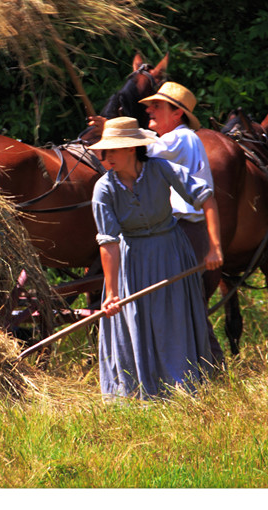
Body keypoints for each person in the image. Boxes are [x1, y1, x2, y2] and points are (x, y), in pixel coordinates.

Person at [89, 117, 223, 400]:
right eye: (105, 150)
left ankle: (182, 387)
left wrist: (214, 247)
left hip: (171, 253)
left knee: (173, 317)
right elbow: (109, 242)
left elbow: (206, 198)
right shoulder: (104, 188)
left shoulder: (161, 169)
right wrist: (111, 294)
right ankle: (138, 391)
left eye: (113, 149)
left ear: (132, 149)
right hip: (132, 261)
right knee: (135, 320)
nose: (106, 156)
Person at [138, 82, 225, 365]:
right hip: (183, 231)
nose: (149, 109)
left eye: (157, 106)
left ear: (177, 114)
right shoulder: (178, 140)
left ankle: (213, 365)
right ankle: (204, 366)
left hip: (187, 232)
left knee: (187, 302)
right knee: (184, 303)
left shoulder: (182, 138)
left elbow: (143, 154)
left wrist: (117, 135)